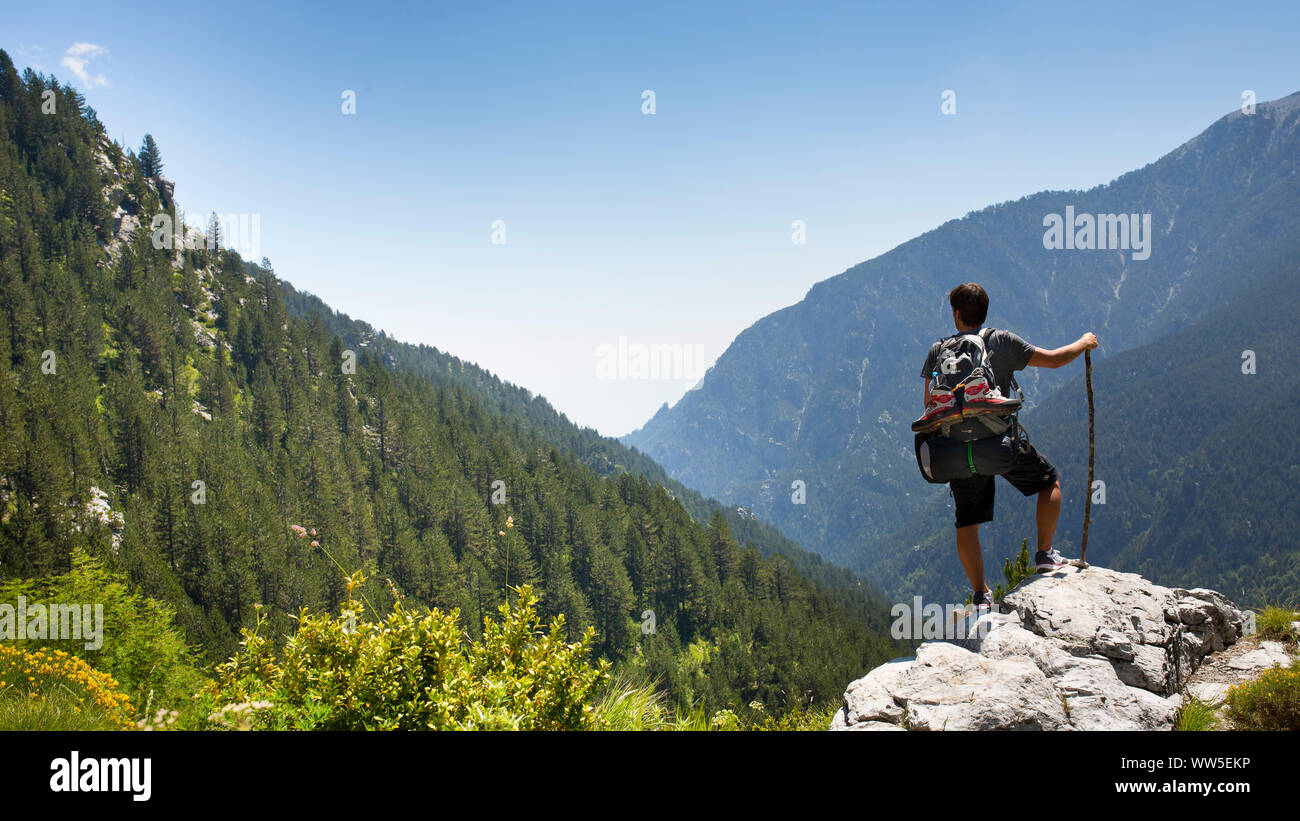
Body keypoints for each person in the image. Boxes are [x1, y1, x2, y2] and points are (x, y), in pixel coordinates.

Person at [920, 283, 1099, 610]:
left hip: (958, 453)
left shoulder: (938, 350)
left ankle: (980, 596)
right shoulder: (1001, 341)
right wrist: (1084, 343)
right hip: (999, 444)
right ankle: (1044, 555)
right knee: (1048, 480)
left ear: (956, 314)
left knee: (967, 521)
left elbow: (930, 405)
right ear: (984, 311)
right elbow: (1056, 360)